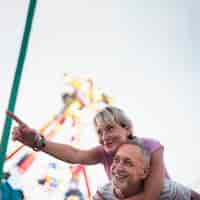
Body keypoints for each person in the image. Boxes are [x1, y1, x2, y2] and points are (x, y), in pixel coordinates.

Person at [7, 106, 169, 200]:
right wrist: (37, 141)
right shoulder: (104, 153)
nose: (105, 137)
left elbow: (151, 195)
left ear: (127, 128)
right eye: (100, 132)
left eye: (110, 128)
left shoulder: (150, 146)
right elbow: (75, 154)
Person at [93, 141, 200, 200]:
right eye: (116, 160)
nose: (118, 167)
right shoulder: (102, 195)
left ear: (144, 173)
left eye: (128, 162)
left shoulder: (167, 190)